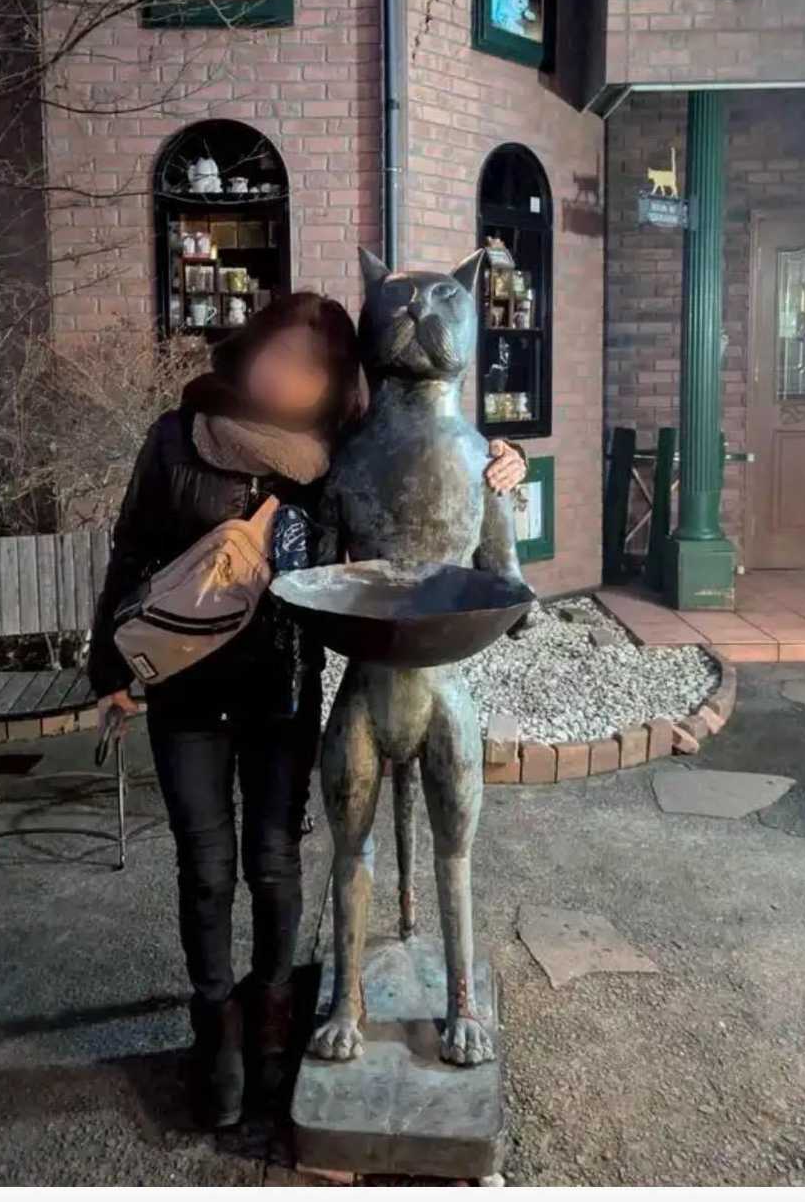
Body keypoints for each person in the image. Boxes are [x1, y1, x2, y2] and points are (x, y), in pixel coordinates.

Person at [89, 291, 527, 1127]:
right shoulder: (179, 436)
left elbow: (423, 464)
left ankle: (273, 1013)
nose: (293, 374)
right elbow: (132, 547)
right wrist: (109, 665)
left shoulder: (334, 454)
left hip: (278, 687)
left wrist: (504, 459)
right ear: (251, 345)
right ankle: (215, 1025)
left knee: (275, 862)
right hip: (187, 693)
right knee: (205, 867)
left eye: (315, 366)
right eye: (284, 352)